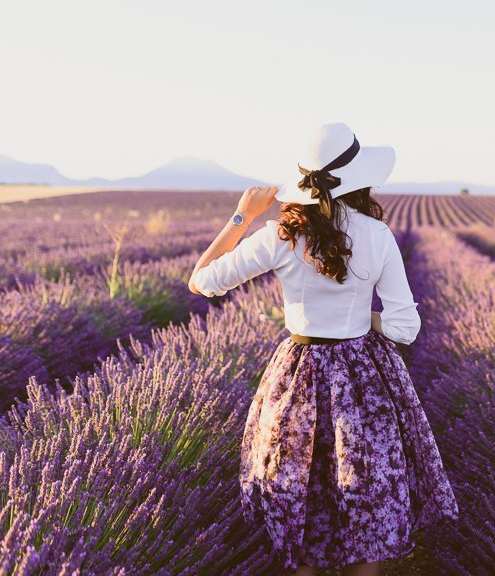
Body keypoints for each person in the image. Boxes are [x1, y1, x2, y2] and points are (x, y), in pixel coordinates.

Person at [187, 123, 459, 576]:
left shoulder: (280, 234)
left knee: (297, 499)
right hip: (364, 379)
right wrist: (359, 320)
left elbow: (201, 282)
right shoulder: (376, 234)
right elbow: (405, 327)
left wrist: (242, 217)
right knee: (365, 503)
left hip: (299, 375)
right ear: (360, 179)